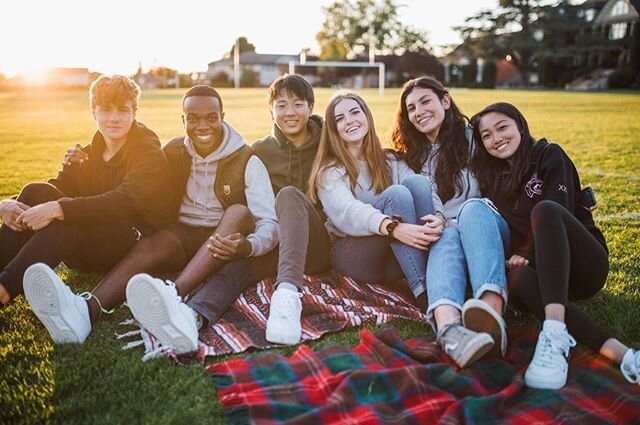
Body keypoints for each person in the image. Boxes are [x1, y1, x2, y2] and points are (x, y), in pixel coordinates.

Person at [26, 85, 277, 354]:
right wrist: (87, 162)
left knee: (238, 211)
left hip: (225, 237)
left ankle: (172, 295)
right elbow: (136, 177)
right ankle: (86, 310)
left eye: (211, 117)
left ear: (222, 116)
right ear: (183, 120)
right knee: (154, 243)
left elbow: (269, 224)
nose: (202, 125)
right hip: (183, 234)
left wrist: (248, 246)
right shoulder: (174, 151)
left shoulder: (246, 159)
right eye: (193, 118)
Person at [470, 101, 639, 389]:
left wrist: (524, 252)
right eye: (486, 135)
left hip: (584, 264)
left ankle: (554, 329)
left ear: (520, 126)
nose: (496, 139)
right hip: (548, 277)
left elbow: (559, 207)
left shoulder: (549, 154)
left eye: (502, 128)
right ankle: (622, 355)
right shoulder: (491, 180)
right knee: (514, 278)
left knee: (545, 210)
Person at [0, 74, 172, 315]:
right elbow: (56, 189)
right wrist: (6, 205)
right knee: (34, 191)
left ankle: (4, 289)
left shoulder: (147, 152)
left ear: (134, 112)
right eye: (105, 110)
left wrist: (60, 209)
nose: (114, 118)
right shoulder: (90, 151)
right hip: (91, 239)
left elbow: (124, 201)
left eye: (123, 110)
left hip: (129, 241)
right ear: (94, 112)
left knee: (67, 219)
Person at [391, 76, 510, 368]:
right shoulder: (411, 156)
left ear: (445, 101)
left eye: (425, 101)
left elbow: (521, 157)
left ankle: (491, 313)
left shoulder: (475, 138)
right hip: (448, 236)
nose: (418, 111)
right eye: (411, 108)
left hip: (486, 226)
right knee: (446, 234)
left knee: (470, 210)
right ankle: (449, 331)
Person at [308, 91, 444, 313]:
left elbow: (426, 189)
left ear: (366, 117)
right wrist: (391, 227)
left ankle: (439, 275)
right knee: (396, 194)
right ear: (333, 130)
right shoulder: (329, 171)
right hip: (353, 255)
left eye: (354, 112)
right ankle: (426, 293)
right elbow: (348, 212)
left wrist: (438, 217)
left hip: (393, 259)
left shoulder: (390, 160)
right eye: (340, 118)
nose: (349, 120)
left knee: (417, 182)